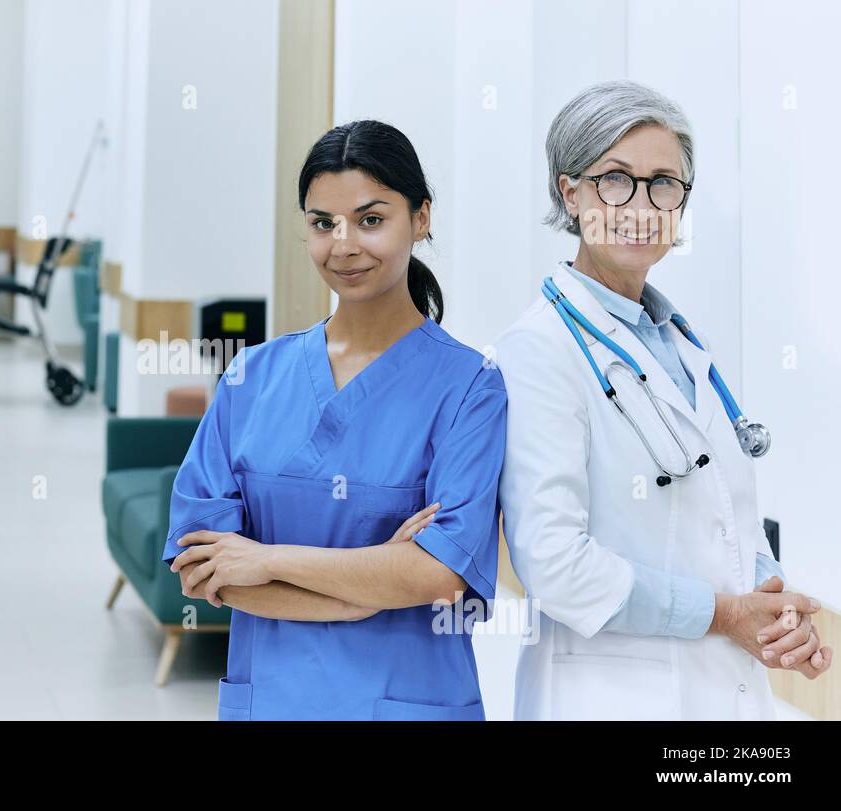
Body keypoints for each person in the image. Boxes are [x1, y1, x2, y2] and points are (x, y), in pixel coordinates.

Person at [497, 80, 832, 720]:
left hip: (721, 698)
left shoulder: (678, 345)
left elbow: (724, 524)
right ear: (570, 193)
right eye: (615, 179)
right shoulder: (538, 351)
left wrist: (776, 612)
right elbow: (556, 565)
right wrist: (725, 614)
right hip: (608, 697)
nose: (641, 205)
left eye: (663, 183)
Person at [166, 120, 507, 721]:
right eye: (322, 223)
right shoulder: (251, 378)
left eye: (371, 219)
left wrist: (267, 558)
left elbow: (442, 575)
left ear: (421, 218)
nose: (343, 244)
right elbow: (200, 563)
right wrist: (363, 592)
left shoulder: (470, 388)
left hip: (410, 702)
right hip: (269, 700)